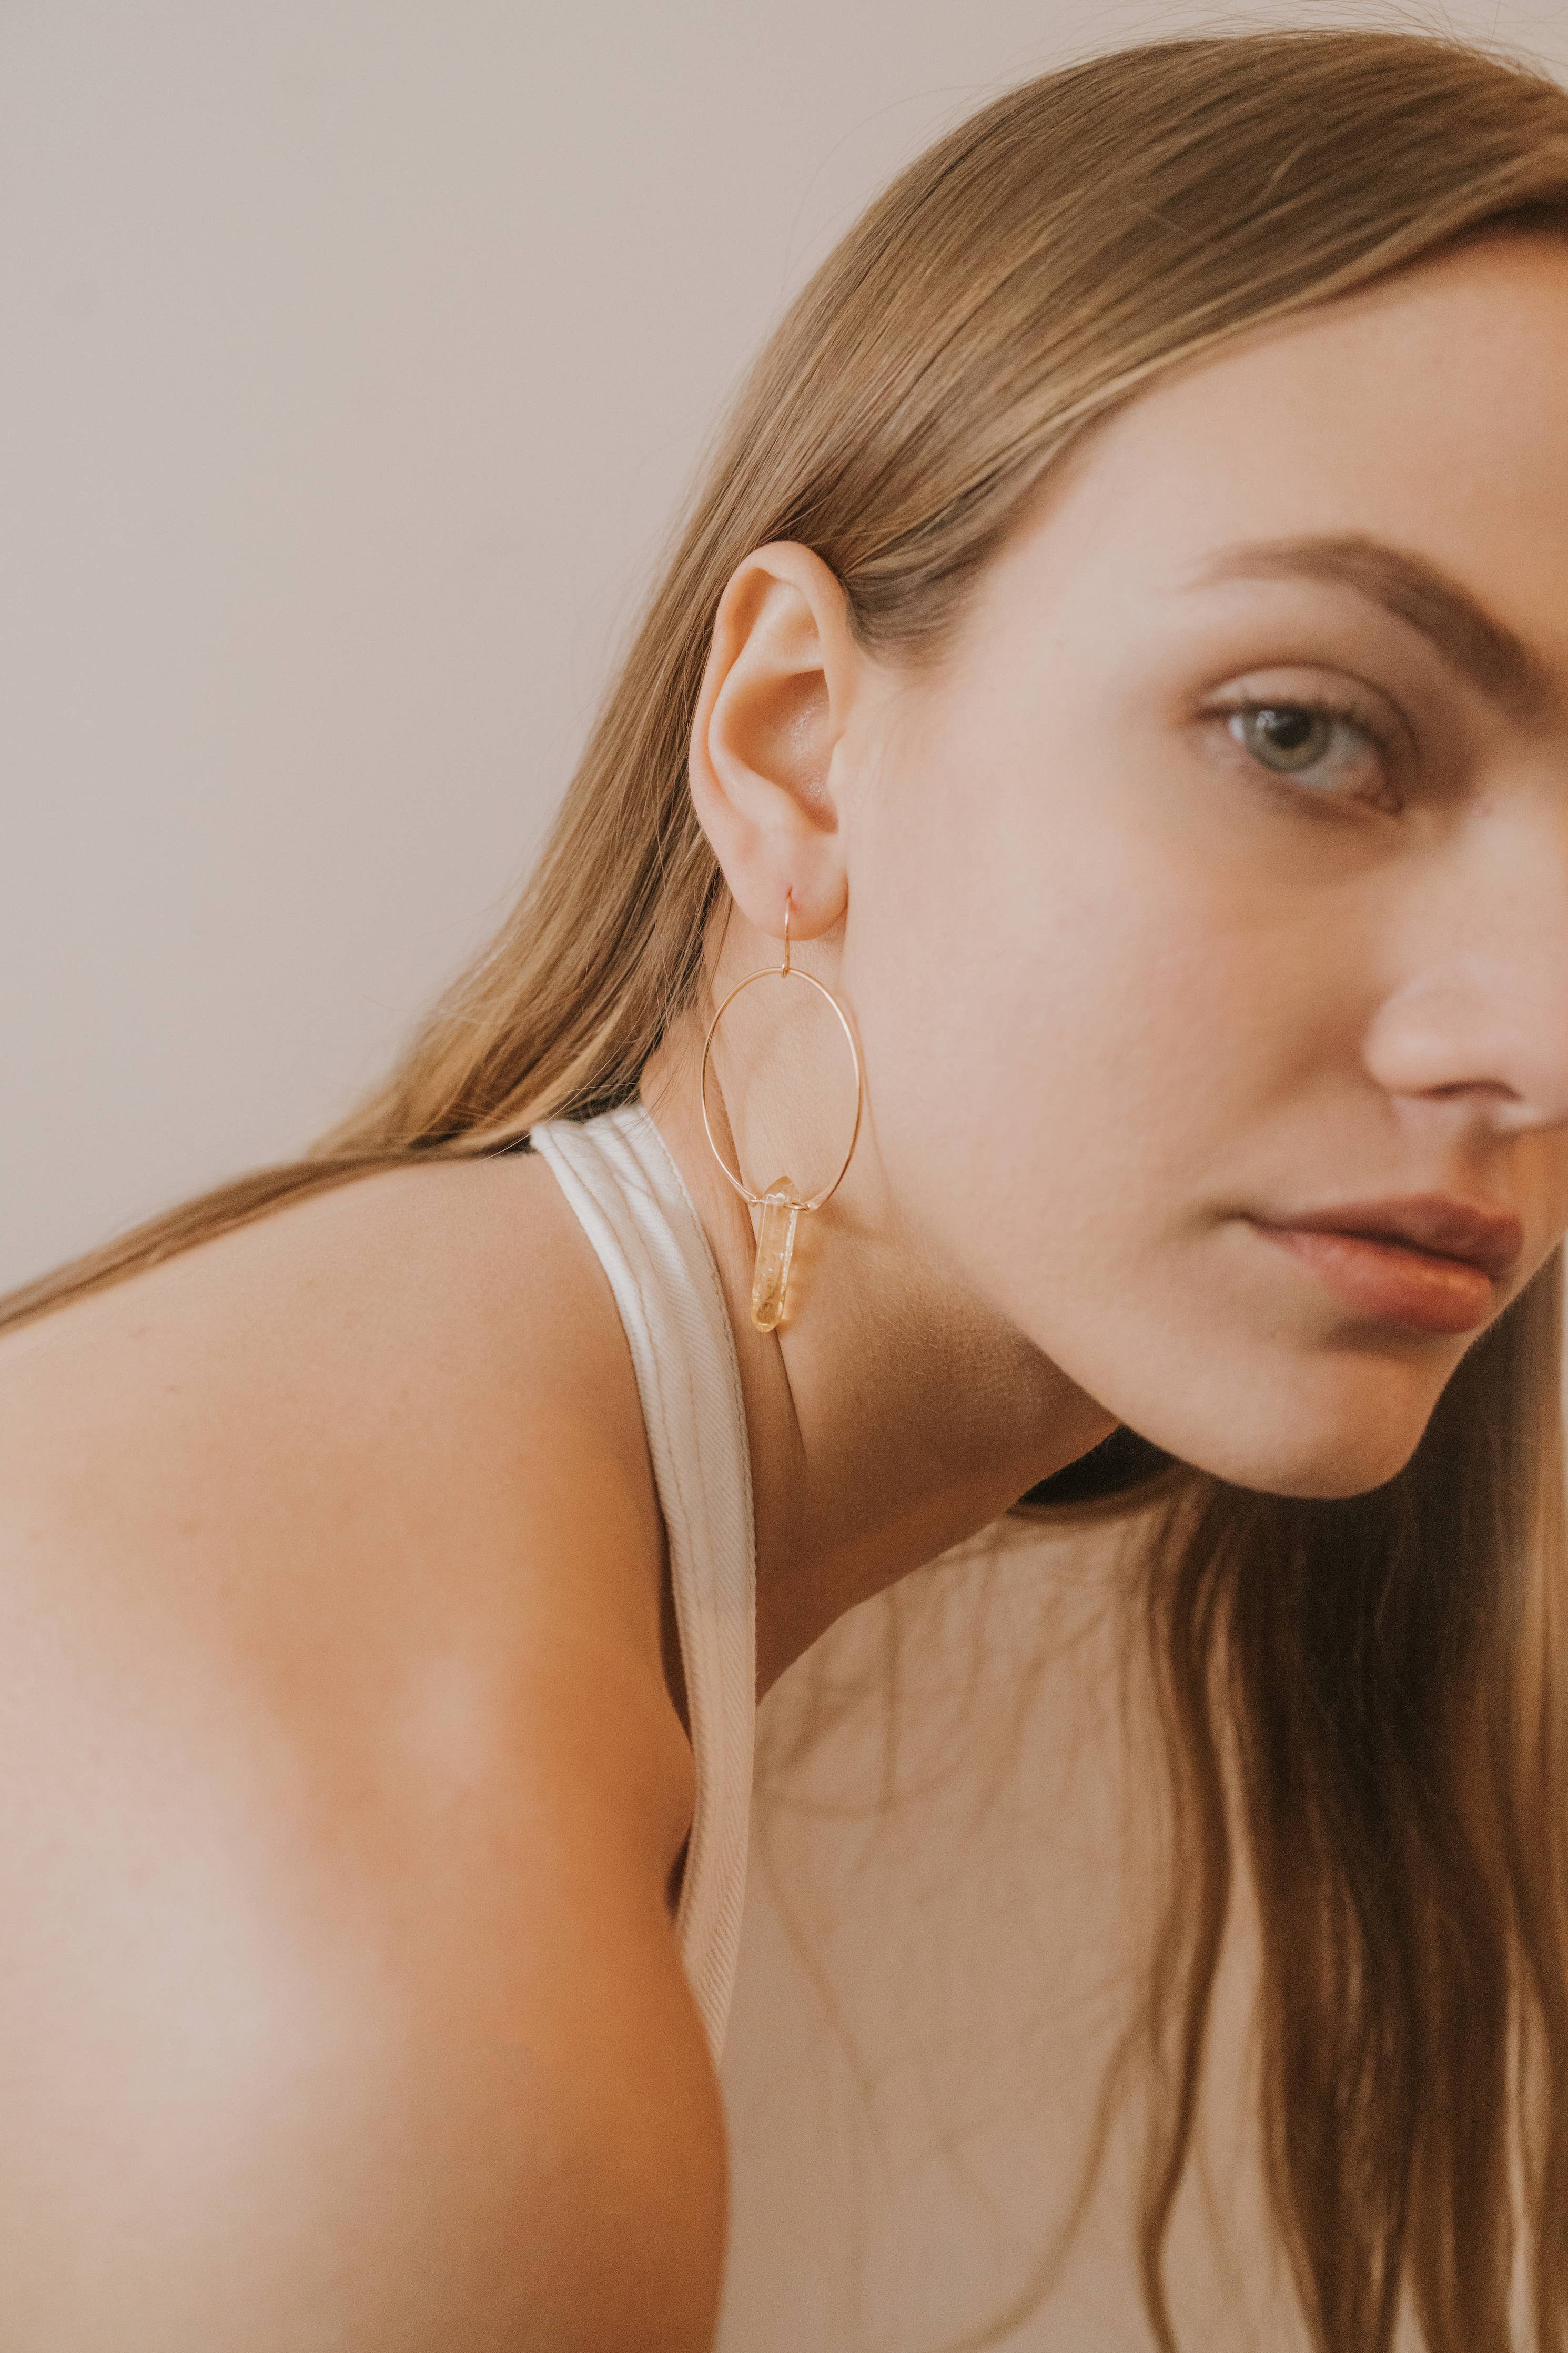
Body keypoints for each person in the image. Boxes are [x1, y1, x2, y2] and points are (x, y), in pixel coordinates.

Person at [3, 24, 1568, 2352]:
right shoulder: (399, 1983)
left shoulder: (455, 1472)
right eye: (1302, 731)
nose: (1534, 1039)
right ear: (796, 748)